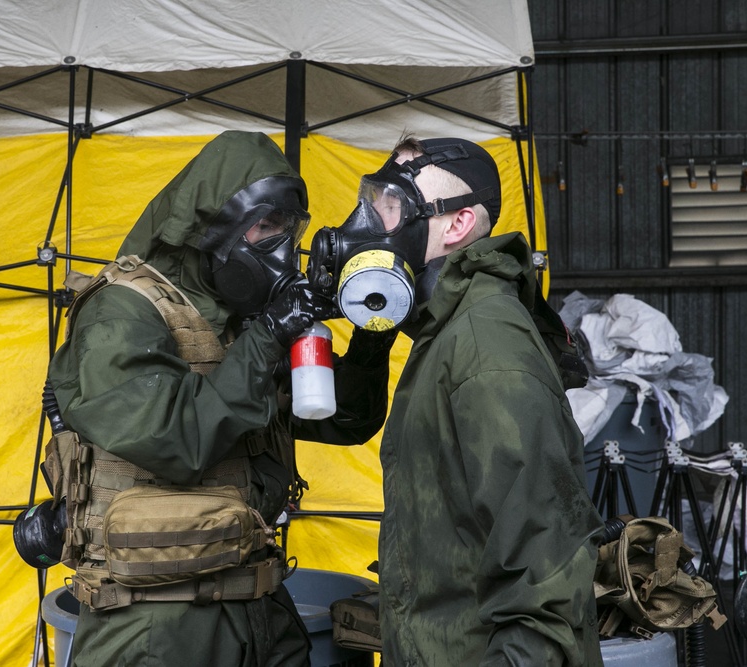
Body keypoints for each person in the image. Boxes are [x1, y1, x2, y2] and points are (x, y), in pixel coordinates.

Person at [45, 130, 396, 667]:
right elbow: (177, 440)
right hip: (155, 622)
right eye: (266, 228)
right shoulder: (122, 312)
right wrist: (268, 336)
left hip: (257, 603)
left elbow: (345, 419)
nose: (281, 249)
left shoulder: (241, 323)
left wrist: (372, 326)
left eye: (289, 230)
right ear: (209, 229)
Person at [347, 135, 604, 665]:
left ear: (457, 225)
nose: (369, 226)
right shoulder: (444, 333)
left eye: (390, 208)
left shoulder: (487, 349)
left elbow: (545, 579)